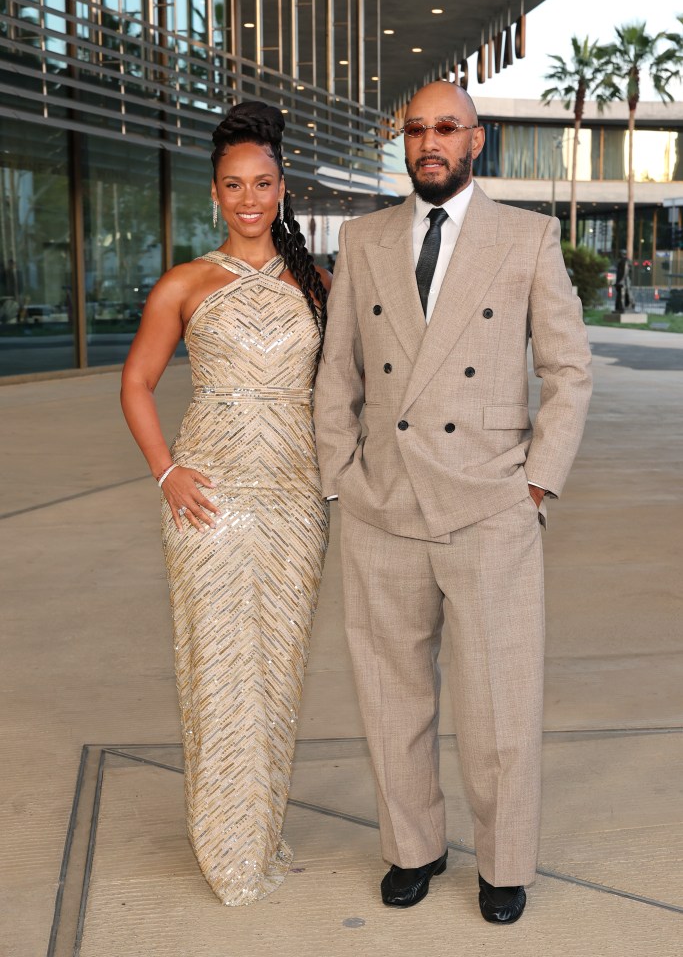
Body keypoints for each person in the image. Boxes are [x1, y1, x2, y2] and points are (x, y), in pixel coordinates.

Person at [313, 81, 592, 923]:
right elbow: (338, 371)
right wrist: (339, 474)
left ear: (478, 139)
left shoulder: (528, 237)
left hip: (488, 504)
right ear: (403, 143)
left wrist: (535, 484)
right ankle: (413, 847)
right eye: (416, 130)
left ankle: (504, 862)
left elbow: (568, 371)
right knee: (389, 694)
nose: (429, 142)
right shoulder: (363, 238)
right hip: (382, 506)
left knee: (498, 698)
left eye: (446, 128)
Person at [120, 101, 330, 905]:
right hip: (207, 497)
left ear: (283, 189)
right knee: (217, 666)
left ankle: (260, 829)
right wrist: (166, 471)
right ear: (215, 193)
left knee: (276, 665)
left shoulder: (317, 282)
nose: (248, 198)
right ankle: (224, 846)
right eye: (233, 185)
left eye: (263, 183)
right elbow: (136, 384)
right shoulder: (185, 282)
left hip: (292, 497)